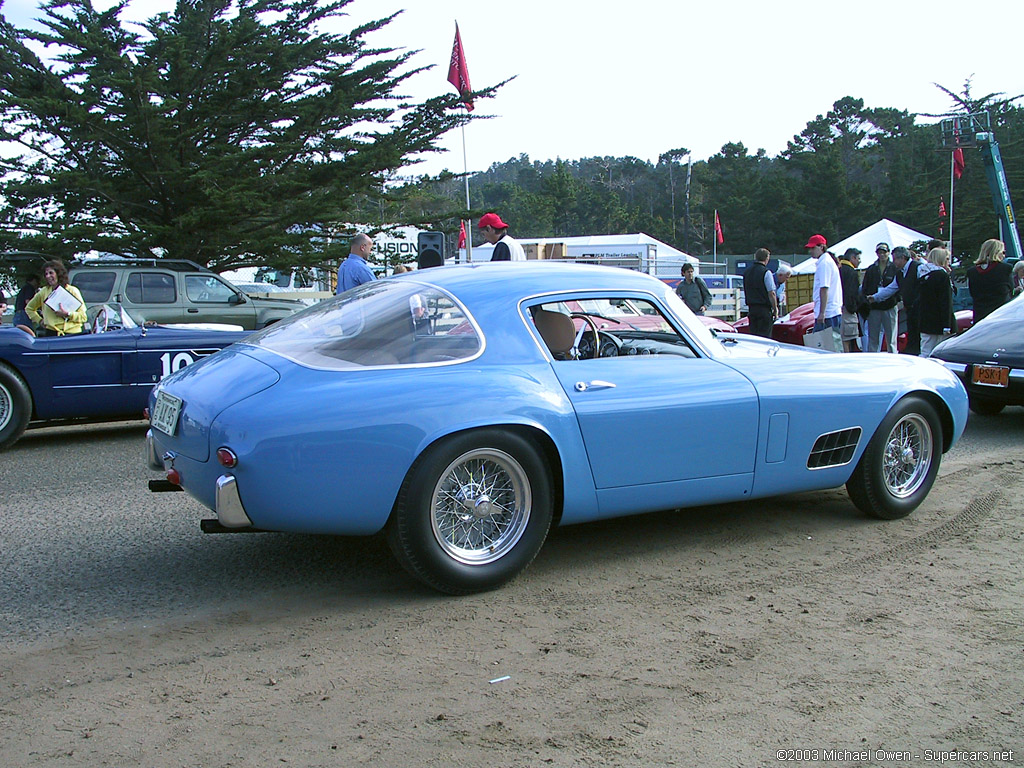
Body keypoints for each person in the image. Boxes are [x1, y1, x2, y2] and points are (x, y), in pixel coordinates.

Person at [866, 246, 920, 354]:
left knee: (913, 337)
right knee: (913, 337)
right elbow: (891, 288)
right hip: (909, 309)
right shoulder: (900, 273)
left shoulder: (918, 267)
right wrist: (875, 297)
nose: (894, 261)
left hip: (918, 309)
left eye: (895, 259)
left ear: (903, 258)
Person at [25, 260, 88, 336]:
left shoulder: (72, 290)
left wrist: (67, 314)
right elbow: (29, 308)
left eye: (51, 273)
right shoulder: (44, 292)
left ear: (58, 274)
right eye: (46, 274)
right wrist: (40, 321)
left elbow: (83, 317)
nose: (48, 276)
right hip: (51, 334)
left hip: (73, 334)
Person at [917, 248, 956, 357]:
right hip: (940, 320)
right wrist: (947, 324)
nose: (949, 261)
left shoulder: (923, 274)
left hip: (926, 319)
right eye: (947, 258)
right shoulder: (942, 276)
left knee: (925, 350)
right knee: (940, 353)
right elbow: (945, 301)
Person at [860, 242, 898, 353]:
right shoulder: (871, 269)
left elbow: (899, 285)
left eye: (884, 252)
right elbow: (865, 286)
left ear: (888, 253)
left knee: (891, 338)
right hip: (874, 307)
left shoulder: (894, 268)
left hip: (890, 306)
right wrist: (867, 300)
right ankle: (873, 358)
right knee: (873, 337)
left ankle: (893, 357)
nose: (882, 255)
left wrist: (897, 300)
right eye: (879, 252)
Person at [966, 239, 1013, 322]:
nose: (1004, 255)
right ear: (997, 252)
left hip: (980, 315)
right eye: (1003, 252)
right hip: (1001, 314)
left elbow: (972, 293)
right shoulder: (1006, 269)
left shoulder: (972, 272)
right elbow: (1010, 290)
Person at [806, 234, 842, 332]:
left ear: (821, 247)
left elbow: (824, 288)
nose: (810, 251)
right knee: (832, 344)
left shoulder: (824, 263)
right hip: (831, 312)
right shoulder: (827, 261)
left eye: (813, 248)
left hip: (828, 314)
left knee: (823, 344)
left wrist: (822, 313)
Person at [743, 247, 777, 337]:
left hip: (752, 309)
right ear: (767, 258)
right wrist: (775, 309)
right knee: (765, 337)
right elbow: (771, 293)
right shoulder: (766, 272)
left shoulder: (747, 272)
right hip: (764, 309)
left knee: (754, 337)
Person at [838, 248, 862, 352]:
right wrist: (853, 308)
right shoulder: (851, 272)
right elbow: (851, 292)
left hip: (837, 308)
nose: (860, 261)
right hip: (847, 309)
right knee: (847, 339)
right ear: (852, 258)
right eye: (858, 258)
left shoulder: (838, 269)